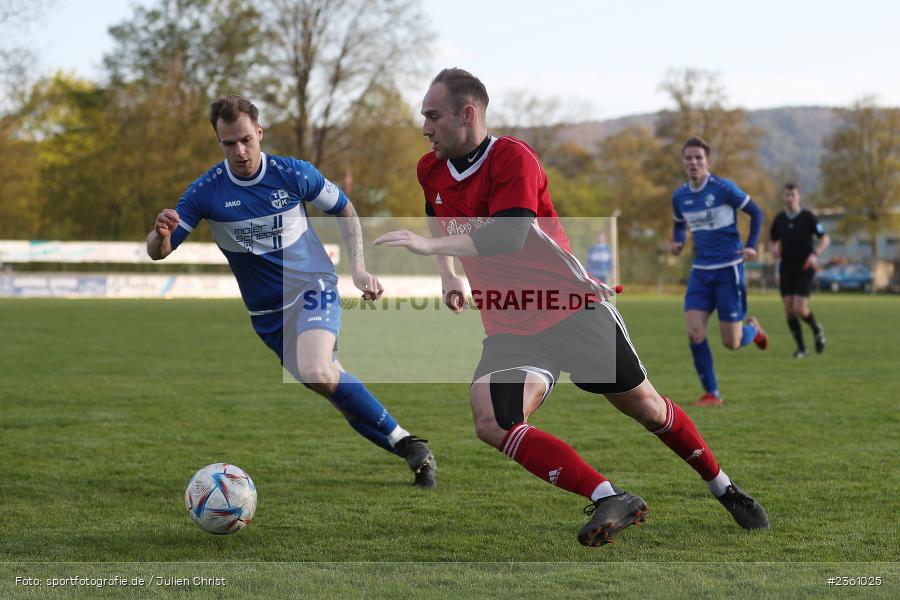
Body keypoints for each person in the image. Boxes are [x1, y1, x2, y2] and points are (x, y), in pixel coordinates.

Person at [374, 68, 769, 547]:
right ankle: (609, 497)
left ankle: (723, 487)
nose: (425, 127)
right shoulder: (429, 169)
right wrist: (449, 274)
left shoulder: (512, 157)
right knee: (492, 420)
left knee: (647, 409)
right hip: (510, 322)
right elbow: (438, 216)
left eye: (433, 115)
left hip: (570, 308)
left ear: (468, 113)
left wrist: (427, 250)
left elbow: (510, 233)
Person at [146, 95, 436, 487]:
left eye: (246, 139)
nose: (240, 151)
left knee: (318, 369)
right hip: (267, 316)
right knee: (329, 382)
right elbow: (159, 252)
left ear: (260, 133)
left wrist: (359, 269)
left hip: (312, 286)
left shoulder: (294, 174)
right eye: (229, 143)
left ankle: (409, 445)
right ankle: (408, 445)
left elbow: (346, 211)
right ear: (219, 142)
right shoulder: (205, 193)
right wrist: (160, 234)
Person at [670, 137, 768, 407]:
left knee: (732, 343)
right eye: (688, 158)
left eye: (698, 158)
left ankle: (753, 330)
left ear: (708, 162)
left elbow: (756, 212)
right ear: (683, 163)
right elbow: (679, 225)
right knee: (694, 331)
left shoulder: (724, 189)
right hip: (701, 272)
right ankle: (712, 393)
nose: (693, 162)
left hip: (728, 271)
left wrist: (750, 246)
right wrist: (678, 241)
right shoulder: (679, 196)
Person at [769, 183, 829, 358]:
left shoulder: (808, 217)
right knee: (788, 309)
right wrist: (773, 249)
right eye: (786, 195)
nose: (789, 198)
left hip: (805, 267)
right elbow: (772, 240)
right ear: (783, 197)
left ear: (798, 197)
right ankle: (802, 348)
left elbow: (825, 239)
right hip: (786, 268)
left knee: (799, 308)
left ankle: (817, 328)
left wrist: (815, 254)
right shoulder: (779, 219)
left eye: (792, 195)